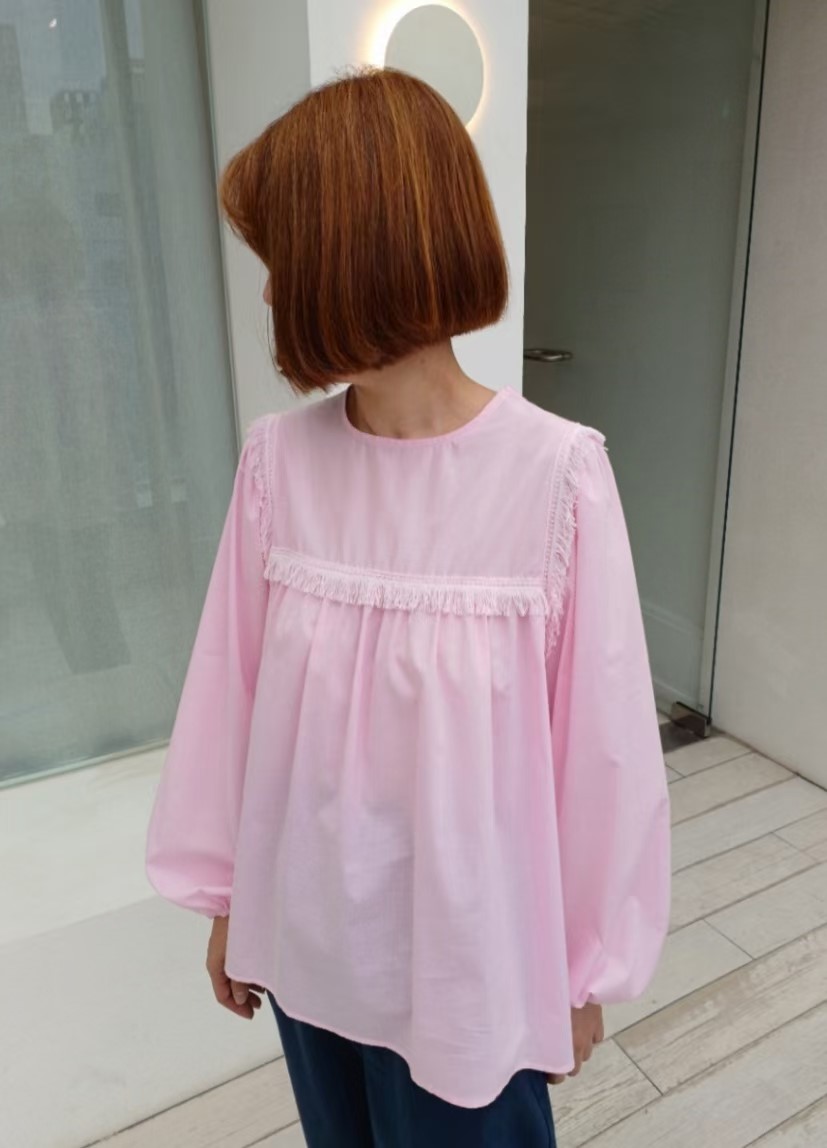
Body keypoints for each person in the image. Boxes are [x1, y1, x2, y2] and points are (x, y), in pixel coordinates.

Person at [146, 68, 670, 1147]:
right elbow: (228, 699)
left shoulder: (552, 476)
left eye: (281, 260)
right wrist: (231, 900)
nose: (267, 295)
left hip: (470, 966)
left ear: (349, 255)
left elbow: (601, 749)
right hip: (308, 944)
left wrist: (582, 969)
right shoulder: (278, 465)